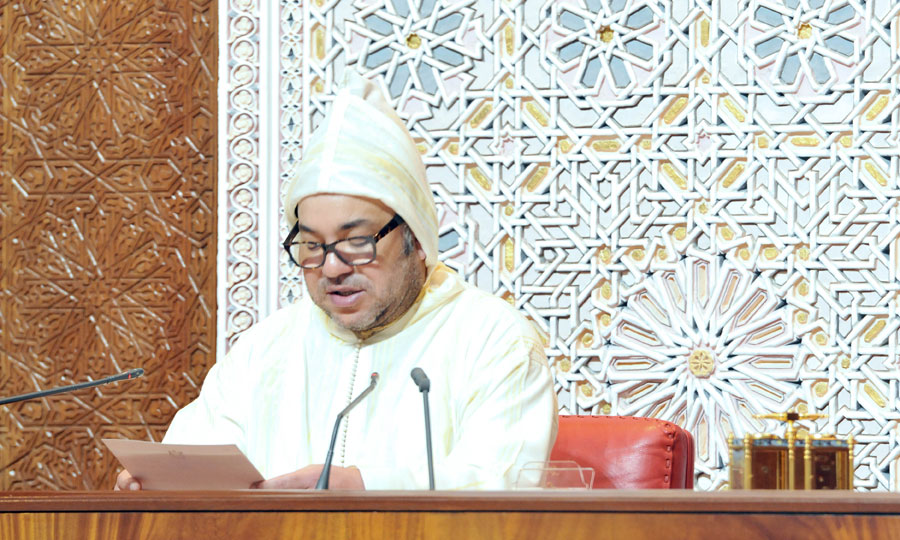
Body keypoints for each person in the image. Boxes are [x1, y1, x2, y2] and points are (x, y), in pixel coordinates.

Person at [116, 73, 557, 491]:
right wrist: (160, 484)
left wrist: (362, 487)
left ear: (417, 238)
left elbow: (505, 485)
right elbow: (196, 460)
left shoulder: (495, 341)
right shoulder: (264, 350)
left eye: (357, 241)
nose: (331, 268)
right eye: (311, 245)